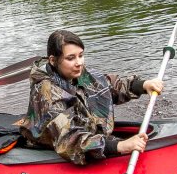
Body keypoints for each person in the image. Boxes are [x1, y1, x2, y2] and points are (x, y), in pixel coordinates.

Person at [19, 29, 164, 165]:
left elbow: (109, 86)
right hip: (62, 145)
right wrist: (120, 146)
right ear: (52, 60)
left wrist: (143, 85)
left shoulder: (77, 72)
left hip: (89, 134)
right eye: (71, 58)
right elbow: (70, 140)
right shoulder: (47, 92)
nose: (79, 63)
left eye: (81, 55)